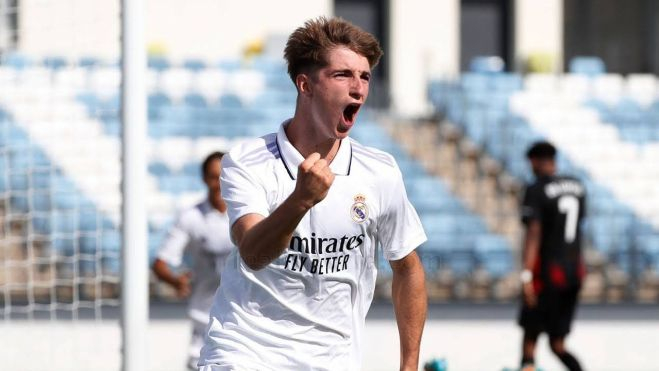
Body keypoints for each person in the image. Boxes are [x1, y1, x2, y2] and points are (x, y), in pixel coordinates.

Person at [198, 17, 427, 371]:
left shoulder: (379, 171)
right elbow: (254, 254)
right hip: (245, 351)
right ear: (304, 85)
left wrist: (409, 365)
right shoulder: (248, 161)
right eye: (343, 75)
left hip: (333, 358)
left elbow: (408, 269)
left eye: (364, 76)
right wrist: (301, 199)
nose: (359, 88)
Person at [152, 151, 234, 371]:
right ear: (204, 179)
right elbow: (160, 263)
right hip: (204, 320)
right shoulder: (191, 218)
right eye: (212, 177)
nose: (218, 184)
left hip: (242, 318)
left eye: (222, 176)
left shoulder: (247, 215)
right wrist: (176, 281)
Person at [518, 141, 586, 371]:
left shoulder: (536, 189)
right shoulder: (577, 186)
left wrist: (527, 274)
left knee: (530, 338)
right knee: (557, 344)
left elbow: (534, 233)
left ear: (535, 160)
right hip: (574, 274)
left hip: (546, 274)